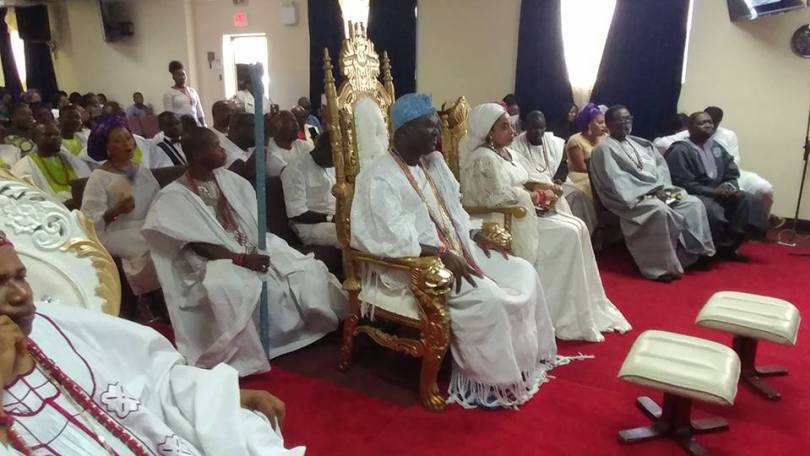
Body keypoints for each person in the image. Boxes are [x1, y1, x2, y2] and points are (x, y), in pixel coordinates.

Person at [0, 232, 304, 455]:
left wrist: (223, 395)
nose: (20, 295)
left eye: (21, 277)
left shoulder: (54, 322)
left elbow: (154, 378)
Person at [352, 93, 559, 408]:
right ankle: (491, 381)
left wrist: (476, 232)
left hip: (460, 246)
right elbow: (383, 237)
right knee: (489, 298)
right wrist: (439, 252)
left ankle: (525, 362)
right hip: (415, 265)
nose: (438, 134)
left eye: (437, 126)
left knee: (523, 270)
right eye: (429, 127)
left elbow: (455, 212)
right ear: (404, 130)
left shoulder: (432, 162)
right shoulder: (377, 176)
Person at [142, 126, 346, 375]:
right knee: (238, 286)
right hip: (212, 258)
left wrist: (253, 249)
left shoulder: (230, 180)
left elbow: (250, 223)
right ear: (196, 154)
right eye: (215, 147)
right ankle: (253, 350)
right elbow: (197, 242)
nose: (222, 150)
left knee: (305, 268)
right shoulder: (174, 195)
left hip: (248, 244)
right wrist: (240, 258)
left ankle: (311, 328)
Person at [461, 104, 629, 342]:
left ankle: (582, 308)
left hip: (525, 211)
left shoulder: (507, 153)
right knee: (567, 234)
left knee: (578, 226)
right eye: (504, 127)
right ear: (489, 132)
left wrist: (546, 187)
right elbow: (491, 197)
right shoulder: (483, 158)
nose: (511, 130)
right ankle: (557, 313)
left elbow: (524, 179)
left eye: (511, 125)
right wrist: (534, 197)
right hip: (503, 218)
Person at [590, 106, 716, 282]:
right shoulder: (603, 149)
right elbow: (616, 181)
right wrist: (651, 194)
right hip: (631, 200)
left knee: (691, 202)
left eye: (628, 119)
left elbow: (661, 169)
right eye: (620, 121)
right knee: (659, 211)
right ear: (609, 124)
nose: (625, 124)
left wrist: (663, 189)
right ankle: (660, 268)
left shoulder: (642, 143)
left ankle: (691, 255)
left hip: (659, 193)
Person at [666, 112, 769, 261]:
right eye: (702, 123)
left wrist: (730, 187)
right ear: (689, 128)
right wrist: (713, 192)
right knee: (712, 211)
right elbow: (682, 183)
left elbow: (731, 172)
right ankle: (705, 253)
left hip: (720, 191)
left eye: (710, 122)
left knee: (749, 200)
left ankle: (728, 248)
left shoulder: (717, 147)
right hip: (693, 194)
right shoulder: (680, 150)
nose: (708, 125)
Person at [81, 116, 162, 301]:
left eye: (128, 138)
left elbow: (157, 197)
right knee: (152, 251)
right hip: (117, 230)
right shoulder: (99, 178)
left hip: (148, 224)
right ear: (106, 148)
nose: (127, 144)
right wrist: (116, 211)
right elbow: (90, 222)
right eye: (118, 141)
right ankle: (150, 302)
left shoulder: (139, 170)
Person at [705, 106, 775, 216]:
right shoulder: (690, 133)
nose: (709, 126)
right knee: (742, 196)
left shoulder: (728, 134)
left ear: (719, 122)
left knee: (765, 189)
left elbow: (735, 162)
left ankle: (764, 221)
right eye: (706, 122)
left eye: (714, 123)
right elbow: (666, 141)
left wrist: (730, 181)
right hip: (708, 178)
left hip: (732, 174)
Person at [10, 122, 90, 207]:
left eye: (57, 134)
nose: (54, 138)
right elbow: (27, 201)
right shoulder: (23, 167)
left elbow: (89, 184)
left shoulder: (72, 159)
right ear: (34, 139)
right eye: (48, 135)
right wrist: (60, 205)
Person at [281, 132, 339, 247]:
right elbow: (297, 213)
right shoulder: (295, 170)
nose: (335, 162)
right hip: (310, 226)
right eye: (333, 156)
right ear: (321, 147)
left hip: (333, 218)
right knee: (351, 238)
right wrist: (331, 218)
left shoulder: (330, 164)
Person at [565, 103, 607, 200]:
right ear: (589, 124)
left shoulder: (605, 138)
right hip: (581, 178)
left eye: (604, 122)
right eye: (600, 123)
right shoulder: (575, 140)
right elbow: (582, 168)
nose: (604, 126)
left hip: (601, 175)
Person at [268, 110, 314, 177]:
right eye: (293, 120)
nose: (297, 123)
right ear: (278, 125)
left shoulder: (311, 128)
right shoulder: (271, 150)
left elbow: (316, 140)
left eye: (303, 117)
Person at [162, 60, 205, 126]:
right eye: (178, 75)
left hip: (196, 125)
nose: (182, 77)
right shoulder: (169, 93)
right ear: (173, 77)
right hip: (181, 127)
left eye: (183, 74)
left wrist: (203, 125)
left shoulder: (192, 91)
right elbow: (169, 115)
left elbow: (199, 110)